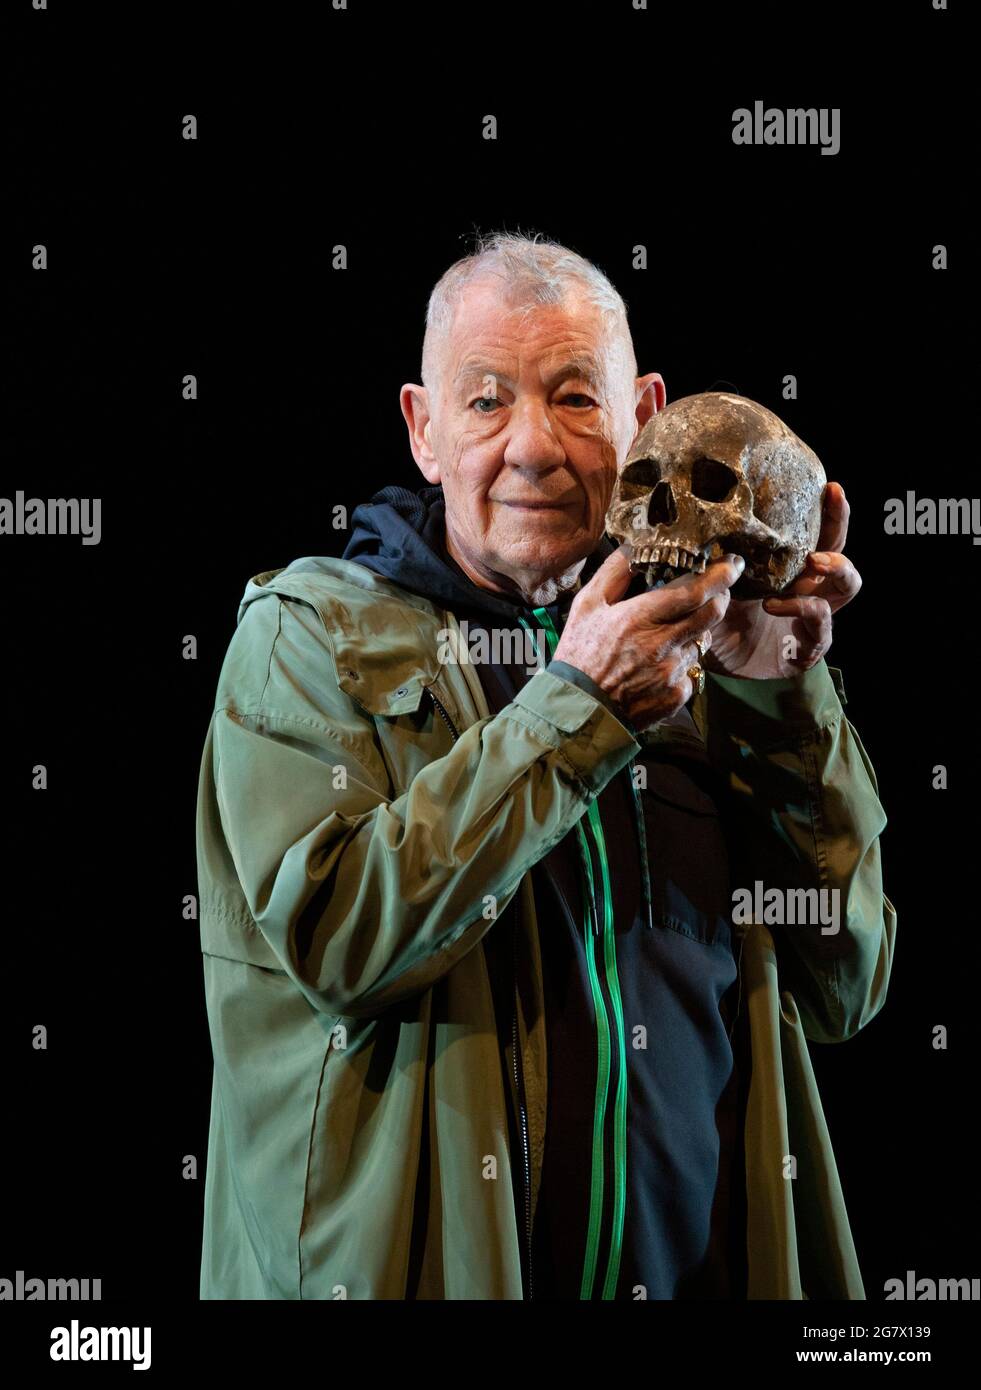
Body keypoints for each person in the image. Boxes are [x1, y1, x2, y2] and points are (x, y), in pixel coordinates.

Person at [195, 232, 896, 1300]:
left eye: (575, 397)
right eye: (483, 402)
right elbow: (338, 939)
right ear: (422, 431)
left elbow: (849, 982)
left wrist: (783, 695)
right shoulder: (307, 641)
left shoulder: (702, 651)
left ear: (641, 411)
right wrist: (579, 709)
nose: (530, 446)